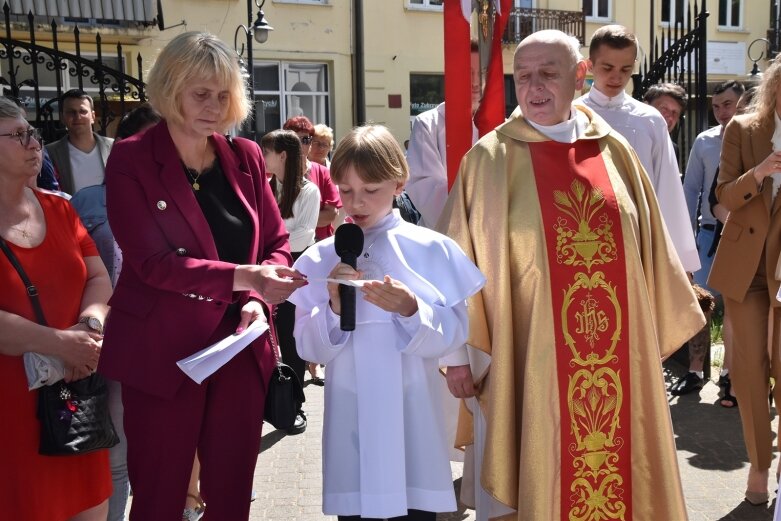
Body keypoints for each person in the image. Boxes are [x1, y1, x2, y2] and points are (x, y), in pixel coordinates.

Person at [439, 30, 705, 520]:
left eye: (548, 73)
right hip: (532, 358)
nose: (534, 86)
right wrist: (458, 357)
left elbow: (653, 249)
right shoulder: (488, 162)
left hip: (618, 361)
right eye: (523, 76)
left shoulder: (616, 151)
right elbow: (455, 266)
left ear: (579, 74)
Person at [98, 31, 307, 520]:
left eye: (223, 94)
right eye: (200, 93)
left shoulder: (246, 156)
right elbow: (152, 263)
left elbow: (276, 243)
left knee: (232, 492)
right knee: (160, 496)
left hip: (238, 345)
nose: (214, 106)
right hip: (163, 353)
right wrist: (247, 279)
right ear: (171, 90)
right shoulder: (131, 158)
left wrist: (260, 298)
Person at [289, 124, 485, 521]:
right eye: (346, 191)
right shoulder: (323, 256)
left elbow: (454, 334)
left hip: (411, 412)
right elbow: (307, 348)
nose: (356, 202)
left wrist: (413, 309)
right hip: (351, 412)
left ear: (399, 183)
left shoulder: (430, 248)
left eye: (370, 190)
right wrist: (333, 309)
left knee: (415, 511)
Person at [0, 96, 112, 520]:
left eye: (32, 133)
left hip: (72, 399)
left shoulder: (61, 208)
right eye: (18, 135)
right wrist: (65, 344)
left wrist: (90, 327)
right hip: (10, 410)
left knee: (91, 508)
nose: (35, 143)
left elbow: (99, 277)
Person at [708, 56, 781, 506]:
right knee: (750, 370)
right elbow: (724, 194)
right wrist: (762, 171)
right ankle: (759, 463)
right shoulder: (745, 129)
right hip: (748, 267)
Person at [576, 25, 699, 274]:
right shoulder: (571, 115)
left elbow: (667, 188)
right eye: (607, 68)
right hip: (583, 235)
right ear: (590, 65)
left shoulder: (649, 120)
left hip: (639, 236)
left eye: (626, 69)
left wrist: (678, 262)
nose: (616, 78)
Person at [671, 80, 744, 399]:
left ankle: (729, 373)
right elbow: (691, 189)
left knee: (737, 310)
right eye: (716, 106)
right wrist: (684, 236)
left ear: (743, 104)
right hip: (707, 235)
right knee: (699, 305)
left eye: (727, 104)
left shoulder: (756, 140)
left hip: (742, 239)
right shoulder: (704, 141)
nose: (721, 112)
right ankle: (695, 371)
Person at [261, 128, 321, 434]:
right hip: (266, 269)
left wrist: (272, 237)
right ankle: (270, 400)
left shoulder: (308, 191)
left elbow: (304, 235)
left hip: (295, 270)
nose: (262, 157)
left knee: (291, 338)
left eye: (267, 151)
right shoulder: (264, 187)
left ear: (282, 155)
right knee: (266, 339)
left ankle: (293, 404)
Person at [405, 41, 481, 228]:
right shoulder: (428, 124)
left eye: (482, 73)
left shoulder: (502, 125)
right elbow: (426, 187)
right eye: (468, 73)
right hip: (443, 234)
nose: (476, 81)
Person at [283, 116, 342, 240]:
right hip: (285, 244)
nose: (300, 145)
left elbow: (331, 214)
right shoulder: (277, 171)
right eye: (294, 139)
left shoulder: (323, 172)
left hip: (318, 245)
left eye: (305, 140)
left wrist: (296, 221)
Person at [46, 89, 113, 196]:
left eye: (83, 111)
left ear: (93, 116)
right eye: (71, 112)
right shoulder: (50, 153)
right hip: (72, 212)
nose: (77, 117)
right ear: (62, 117)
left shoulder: (113, 147)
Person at [643, 82, 687, 162]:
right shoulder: (628, 139)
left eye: (675, 112)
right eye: (664, 109)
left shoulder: (673, 149)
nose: (670, 116)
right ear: (646, 106)